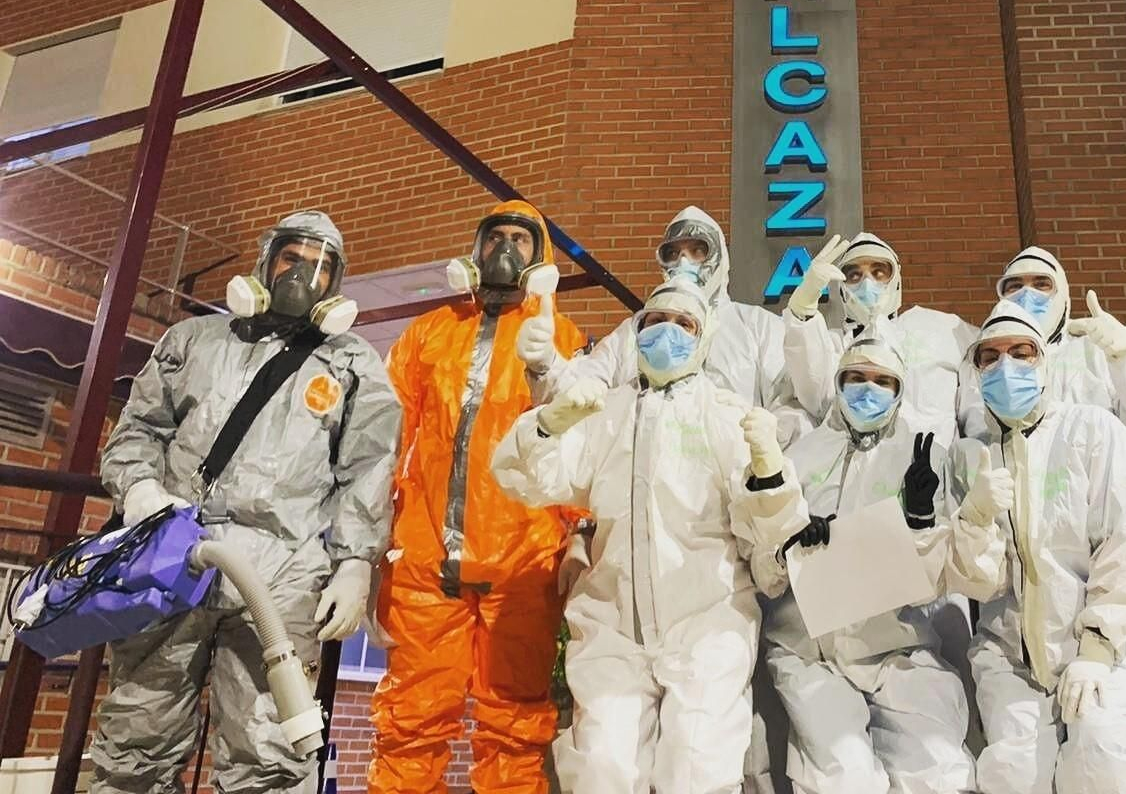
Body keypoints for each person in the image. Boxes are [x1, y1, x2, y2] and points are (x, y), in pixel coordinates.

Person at [92, 211, 399, 794]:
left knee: (270, 751)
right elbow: (137, 430)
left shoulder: (351, 362)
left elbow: (368, 469)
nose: (304, 275)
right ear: (265, 261)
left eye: (323, 266)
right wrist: (140, 489)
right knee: (137, 733)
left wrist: (357, 563)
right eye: (293, 258)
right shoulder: (194, 340)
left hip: (282, 575)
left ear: (338, 284)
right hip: (174, 555)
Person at [492, 279, 809, 794]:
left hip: (707, 621)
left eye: (683, 324)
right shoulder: (605, 413)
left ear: (703, 341)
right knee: (601, 771)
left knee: (696, 771)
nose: (667, 333)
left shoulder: (724, 414)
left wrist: (770, 475)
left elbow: (772, 531)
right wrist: (547, 425)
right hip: (611, 625)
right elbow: (527, 480)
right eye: (655, 322)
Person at [368, 200, 588, 794]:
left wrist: (580, 535)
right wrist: (366, 546)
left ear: (539, 259)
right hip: (423, 565)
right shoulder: (428, 335)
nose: (506, 250)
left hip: (522, 568)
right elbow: (386, 445)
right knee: (410, 725)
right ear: (476, 249)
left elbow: (579, 449)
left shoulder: (561, 339)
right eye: (496, 238)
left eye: (521, 239)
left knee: (513, 729)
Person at [950, 303, 1126, 794]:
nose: (1005, 366)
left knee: (1104, 756)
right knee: (1012, 774)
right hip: (1010, 653)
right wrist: (973, 519)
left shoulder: (1094, 431)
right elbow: (981, 583)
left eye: (1021, 352)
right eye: (989, 357)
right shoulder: (971, 457)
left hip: (1106, 643)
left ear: (1045, 362)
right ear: (975, 371)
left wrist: (1096, 648)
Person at [754, 336, 997, 794]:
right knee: (842, 778)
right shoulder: (801, 457)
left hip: (898, 644)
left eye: (883, 380)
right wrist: (787, 543)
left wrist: (921, 522)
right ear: (839, 383)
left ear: (900, 389)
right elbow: (763, 575)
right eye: (857, 377)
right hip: (810, 651)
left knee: (940, 773)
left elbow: (956, 573)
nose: (869, 389)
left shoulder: (924, 459)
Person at [520, 205, 805, 443]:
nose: (684, 262)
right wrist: (546, 365)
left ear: (720, 257)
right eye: (673, 253)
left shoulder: (757, 327)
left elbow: (791, 408)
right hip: (645, 486)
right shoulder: (633, 332)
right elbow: (581, 392)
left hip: (734, 491)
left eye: (697, 250)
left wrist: (766, 457)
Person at [784, 232, 977, 445]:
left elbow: (992, 359)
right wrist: (803, 309)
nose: (867, 283)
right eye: (855, 275)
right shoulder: (832, 344)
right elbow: (817, 398)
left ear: (896, 281)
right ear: (842, 288)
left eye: (879, 272)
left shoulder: (939, 330)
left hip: (936, 468)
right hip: (859, 469)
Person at [987, 245, 1126, 440]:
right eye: (1015, 286)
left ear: (1062, 294)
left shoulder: (1095, 350)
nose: (1027, 295)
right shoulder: (986, 364)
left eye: (1041, 285)